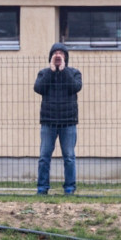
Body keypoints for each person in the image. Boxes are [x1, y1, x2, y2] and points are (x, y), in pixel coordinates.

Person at [34, 42, 82, 195]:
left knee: (69, 157)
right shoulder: (44, 73)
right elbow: (38, 88)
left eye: (61, 53)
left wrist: (63, 70)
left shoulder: (74, 73)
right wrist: (51, 71)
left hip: (68, 122)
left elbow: (75, 87)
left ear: (66, 57)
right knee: (44, 157)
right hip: (48, 122)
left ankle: (69, 188)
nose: (58, 55)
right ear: (51, 56)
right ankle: (42, 188)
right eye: (55, 53)